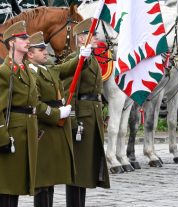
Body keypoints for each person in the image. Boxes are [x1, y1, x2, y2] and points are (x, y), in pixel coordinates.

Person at [25, 31, 90, 207]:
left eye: (45, 49)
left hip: (57, 129)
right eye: (40, 50)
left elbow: (67, 68)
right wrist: (56, 114)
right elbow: (34, 104)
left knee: (51, 177)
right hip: (44, 128)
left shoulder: (48, 68)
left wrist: (82, 57)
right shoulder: (29, 72)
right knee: (43, 179)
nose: (46, 52)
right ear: (30, 54)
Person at [0, 20, 38, 207]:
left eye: (27, 37)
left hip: (24, 133)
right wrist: (2, 140)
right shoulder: (4, 72)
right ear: (12, 43)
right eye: (23, 38)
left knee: (14, 186)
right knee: (7, 189)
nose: (27, 40)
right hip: (11, 135)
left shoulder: (27, 71)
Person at [63, 18, 110, 207]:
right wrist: (73, 122)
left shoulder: (92, 60)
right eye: (92, 36)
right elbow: (69, 92)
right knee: (78, 169)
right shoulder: (73, 61)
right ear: (82, 39)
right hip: (81, 119)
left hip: (92, 117)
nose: (96, 39)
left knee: (86, 168)